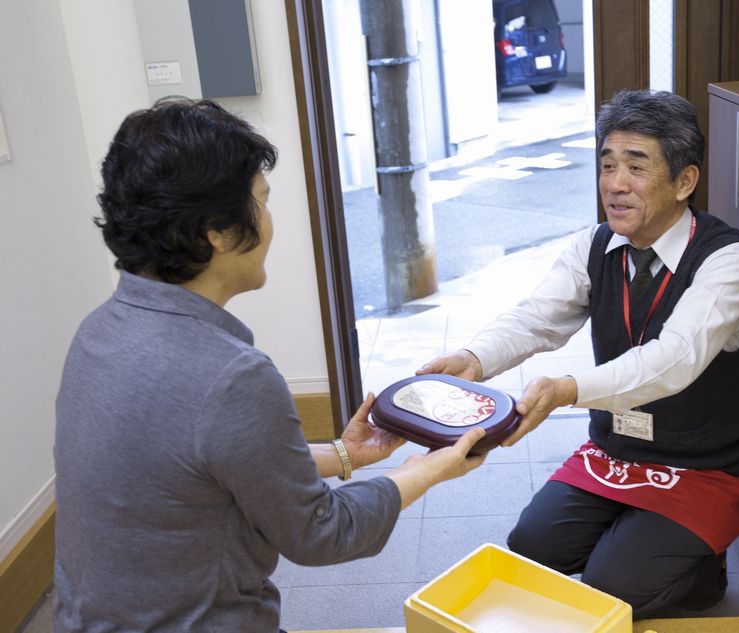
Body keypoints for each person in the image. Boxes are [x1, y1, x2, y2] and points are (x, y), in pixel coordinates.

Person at [53, 98, 487, 632]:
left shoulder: (98, 330)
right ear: (217, 229)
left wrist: (344, 455)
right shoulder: (232, 376)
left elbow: (202, 465)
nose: (269, 221)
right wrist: (422, 471)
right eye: (261, 202)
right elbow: (321, 534)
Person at [419, 89, 739, 617]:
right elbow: (538, 317)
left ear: (685, 181)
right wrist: (474, 358)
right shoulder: (593, 246)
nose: (615, 184)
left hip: (703, 464)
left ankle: (701, 570)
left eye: (636, 166)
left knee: (610, 586)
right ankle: (641, 539)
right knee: (532, 546)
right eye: (606, 165)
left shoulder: (728, 259)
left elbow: (674, 358)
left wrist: (565, 391)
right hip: (617, 452)